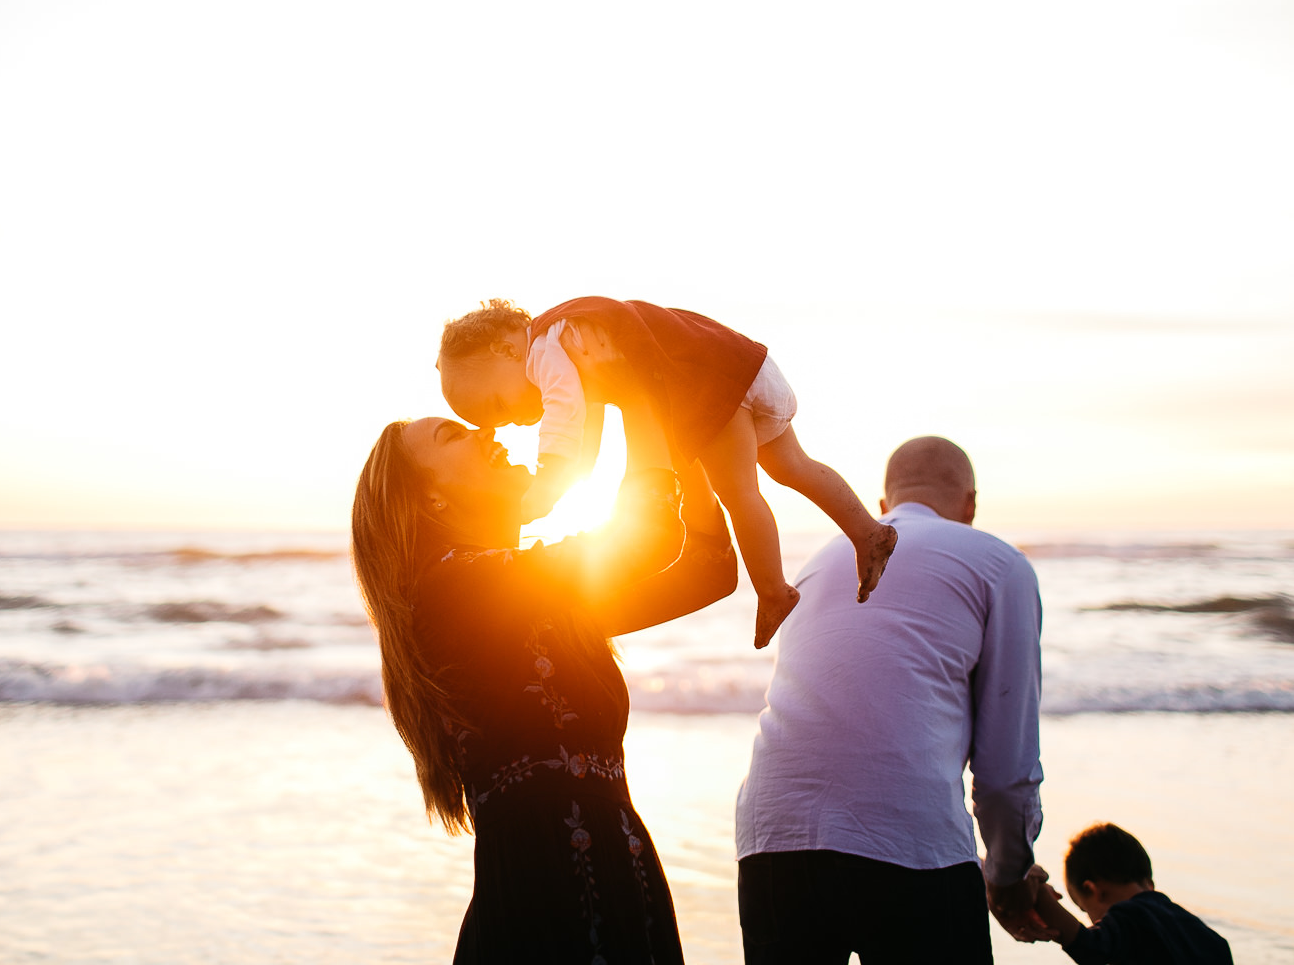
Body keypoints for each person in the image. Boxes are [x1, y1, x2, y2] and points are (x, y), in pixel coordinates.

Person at [352, 325, 739, 964]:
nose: (487, 431)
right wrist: (634, 399)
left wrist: (671, 423)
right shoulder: (456, 588)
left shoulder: (530, 589)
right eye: (453, 435)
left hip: (619, 875)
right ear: (432, 498)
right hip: (546, 892)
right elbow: (647, 536)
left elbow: (708, 566)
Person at [733, 435, 1046, 963]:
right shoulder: (999, 563)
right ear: (970, 504)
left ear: (882, 506)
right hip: (910, 841)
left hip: (771, 837)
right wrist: (1007, 873)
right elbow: (1005, 767)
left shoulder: (818, 562)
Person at [436, 297, 898, 649]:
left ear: (505, 347)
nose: (515, 420)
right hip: (736, 363)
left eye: (500, 407)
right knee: (791, 466)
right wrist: (574, 476)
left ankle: (775, 590)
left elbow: (565, 417)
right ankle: (868, 533)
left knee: (740, 494)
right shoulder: (566, 340)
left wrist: (548, 480)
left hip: (710, 383)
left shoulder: (544, 348)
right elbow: (587, 427)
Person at [1028, 824, 1234, 965]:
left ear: (1095, 891)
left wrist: (1040, 893)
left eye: (1085, 909)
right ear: (1149, 883)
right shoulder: (1204, 935)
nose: (1096, 923)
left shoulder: (1129, 916)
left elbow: (1090, 948)